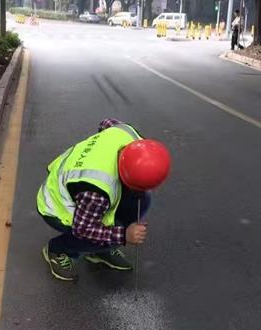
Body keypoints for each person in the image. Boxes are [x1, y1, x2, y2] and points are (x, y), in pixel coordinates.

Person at [37, 119, 171, 282]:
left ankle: (99, 250)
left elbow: (106, 123)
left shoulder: (128, 135)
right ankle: (59, 249)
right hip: (56, 206)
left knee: (142, 200)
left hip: (82, 198)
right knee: (100, 237)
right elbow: (84, 229)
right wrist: (123, 235)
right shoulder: (95, 190)